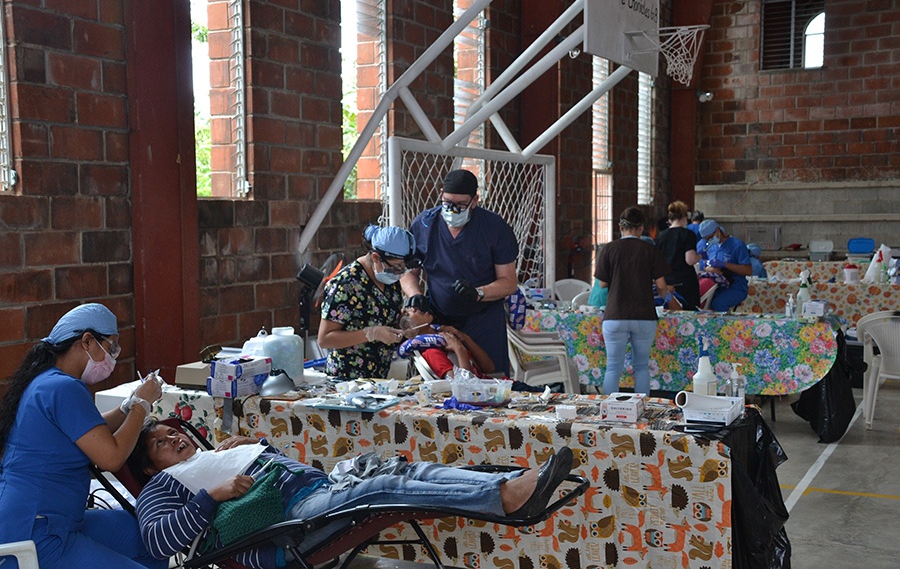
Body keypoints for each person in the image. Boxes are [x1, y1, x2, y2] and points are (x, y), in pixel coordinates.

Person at [128, 420, 575, 569]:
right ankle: (507, 499)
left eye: (175, 433)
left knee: (402, 468)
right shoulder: (161, 487)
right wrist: (214, 492)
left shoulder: (215, 454)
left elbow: (290, 471)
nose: (176, 441)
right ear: (149, 466)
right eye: (161, 444)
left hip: (315, 492)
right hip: (290, 527)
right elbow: (158, 542)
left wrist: (256, 448)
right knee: (383, 489)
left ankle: (506, 488)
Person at [0, 303, 165, 569]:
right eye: (110, 347)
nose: (112, 357)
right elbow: (110, 458)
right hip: (36, 532)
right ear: (87, 341)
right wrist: (141, 406)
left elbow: (92, 430)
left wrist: (128, 405)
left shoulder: (49, 381)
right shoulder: (63, 387)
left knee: (149, 538)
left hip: (57, 518)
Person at [402, 169, 518, 375]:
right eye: (447, 203)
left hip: (483, 318)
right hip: (439, 317)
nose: (453, 210)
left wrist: (478, 292)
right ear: (440, 194)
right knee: (445, 381)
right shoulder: (425, 225)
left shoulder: (494, 228)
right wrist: (415, 294)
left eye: (461, 205)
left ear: (474, 201)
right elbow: (408, 272)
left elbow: (508, 282)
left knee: (492, 379)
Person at [318, 225, 420, 380]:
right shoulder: (346, 284)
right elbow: (324, 339)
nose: (399, 273)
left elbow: (386, 316)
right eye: (397, 267)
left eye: (403, 269)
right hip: (347, 379)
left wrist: (404, 324)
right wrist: (370, 334)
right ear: (376, 258)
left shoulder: (389, 279)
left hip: (379, 378)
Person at [594, 208, 671, 395]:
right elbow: (662, 285)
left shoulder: (609, 249)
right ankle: (641, 410)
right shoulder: (650, 249)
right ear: (641, 228)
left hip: (615, 314)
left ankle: (608, 411)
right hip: (644, 315)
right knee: (642, 367)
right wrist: (663, 294)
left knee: (613, 367)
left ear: (620, 227)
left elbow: (603, 283)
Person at [398, 304, 495, 379]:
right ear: (410, 329)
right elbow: (464, 385)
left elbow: (489, 368)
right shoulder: (432, 353)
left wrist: (465, 338)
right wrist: (459, 349)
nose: (415, 309)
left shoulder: (448, 338)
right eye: (408, 314)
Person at [696, 220, 753, 311]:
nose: (709, 241)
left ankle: (725, 325)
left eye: (710, 237)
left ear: (718, 231)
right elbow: (703, 266)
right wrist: (709, 269)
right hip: (715, 286)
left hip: (736, 287)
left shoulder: (737, 245)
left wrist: (724, 265)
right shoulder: (710, 247)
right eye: (706, 239)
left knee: (718, 304)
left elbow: (748, 271)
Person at [655, 200, 702, 310]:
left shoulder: (661, 236)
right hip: (684, 282)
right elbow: (690, 260)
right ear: (685, 218)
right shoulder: (688, 234)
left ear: (670, 220)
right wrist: (700, 256)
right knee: (688, 314)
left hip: (666, 281)